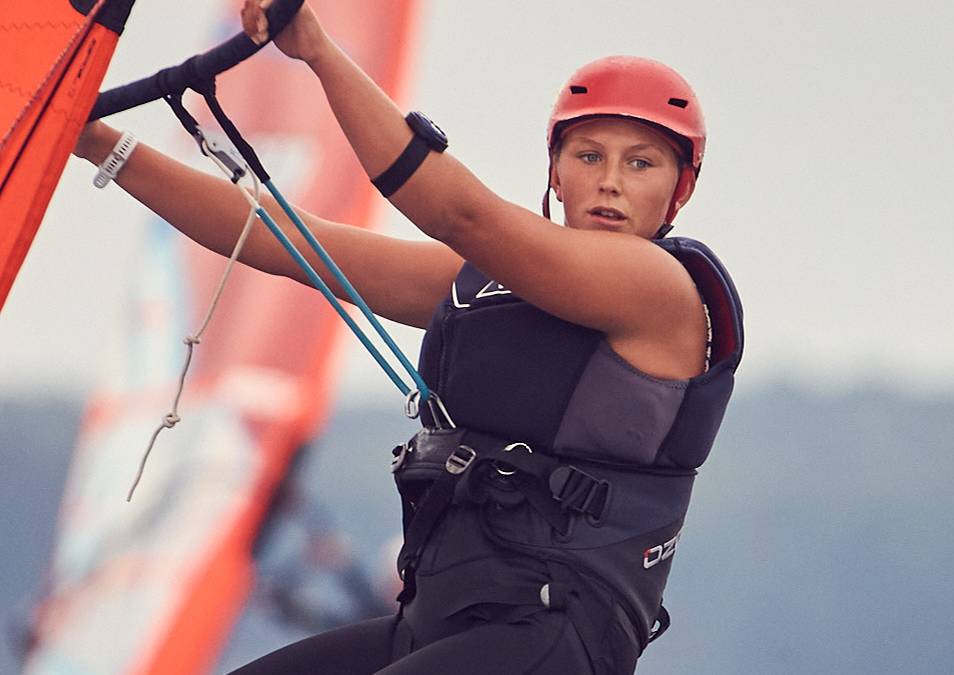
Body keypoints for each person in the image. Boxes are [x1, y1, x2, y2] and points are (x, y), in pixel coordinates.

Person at [73, 1, 743, 672]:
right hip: (429, 625)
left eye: (641, 164)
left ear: (678, 190)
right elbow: (275, 237)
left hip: (545, 637)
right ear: (556, 173)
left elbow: (458, 211)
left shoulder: (663, 295)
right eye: (590, 155)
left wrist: (318, 53)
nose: (610, 182)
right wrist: (100, 142)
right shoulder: (481, 284)